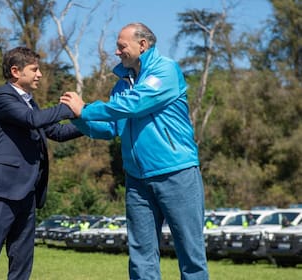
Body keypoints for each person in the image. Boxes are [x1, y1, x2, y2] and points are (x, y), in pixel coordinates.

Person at [60, 22, 208, 280]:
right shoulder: (122, 85)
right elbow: (110, 129)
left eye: (121, 46)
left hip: (177, 174)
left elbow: (134, 104)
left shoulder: (166, 70)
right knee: (141, 258)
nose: (116, 52)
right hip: (137, 180)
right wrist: (77, 118)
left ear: (143, 45)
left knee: (190, 255)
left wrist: (85, 108)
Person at [0, 46, 83, 280]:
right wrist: (68, 108)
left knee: (22, 260)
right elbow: (32, 120)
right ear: (16, 71)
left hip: (28, 192)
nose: (40, 74)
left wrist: (92, 122)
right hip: (1, 190)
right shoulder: (2, 97)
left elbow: (57, 133)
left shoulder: (31, 103)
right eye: (35, 69)